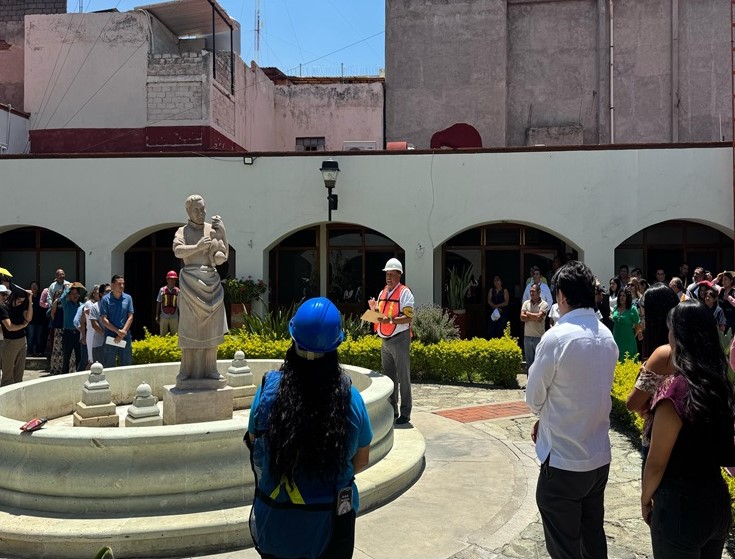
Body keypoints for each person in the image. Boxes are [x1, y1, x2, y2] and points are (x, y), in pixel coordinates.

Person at [246, 297, 373, 559]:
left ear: (293, 341)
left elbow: (254, 443)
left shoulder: (267, 392)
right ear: (335, 346)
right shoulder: (350, 399)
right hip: (330, 530)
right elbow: (361, 460)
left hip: (274, 526)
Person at [526, 261, 618, 559]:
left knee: (565, 547)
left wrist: (544, 416)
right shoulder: (606, 335)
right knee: (592, 538)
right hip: (598, 457)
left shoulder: (556, 338)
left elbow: (533, 398)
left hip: (564, 461)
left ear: (562, 296)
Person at [641, 300, 735, 557]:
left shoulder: (676, 390)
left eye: (671, 330)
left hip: (680, 505)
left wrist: (645, 498)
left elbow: (657, 462)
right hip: (716, 500)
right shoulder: (719, 383)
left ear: (680, 336)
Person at [173, 194, 229, 383]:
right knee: (189, 329)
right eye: (196, 210)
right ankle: (186, 369)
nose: (201, 213)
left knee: (212, 330)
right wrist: (197, 247)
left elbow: (221, 257)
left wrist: (223, 233)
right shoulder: (182, 231)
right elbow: (177, 251)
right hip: (190, 283)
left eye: (203, 209)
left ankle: (212, 368)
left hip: (211, 283)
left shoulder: (211, 229)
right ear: (188, 211)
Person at [625, 284, 679, 464]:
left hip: (659, 441)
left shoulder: (663, 354)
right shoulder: (694, 351)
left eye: (644, 313)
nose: (642, 320)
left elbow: (633, 403)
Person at [368, 258, 414, 424]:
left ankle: (406, 412)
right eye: (387, 274)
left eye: (392, 274)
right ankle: (392, 410)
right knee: (389, 378)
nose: (388, 278)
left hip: (400, 339)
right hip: (385, 340)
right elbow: (380, 315)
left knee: (403, 376)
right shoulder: (382, 293)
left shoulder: (405, 293)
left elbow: (408, 317)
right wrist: (374, 308)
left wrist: (390, 320)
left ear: (399, 275)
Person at [99, 275, 134, 368]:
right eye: (119, 284)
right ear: (113, 285)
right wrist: (117, 331)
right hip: (110, 336)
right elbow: (104, 319)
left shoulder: (128, 298)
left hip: (124, 335)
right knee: (109, 365)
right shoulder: (105, 299)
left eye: (123, 284)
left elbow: (130, 317)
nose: (122, 286)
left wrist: (122, 332)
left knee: (126, 365)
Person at [0, 285, 32, 386]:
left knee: (19, 374)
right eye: (18, 300)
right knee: (7, 375)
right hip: (10, 342)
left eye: (22, 300)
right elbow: (9, 327)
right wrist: (22, 326)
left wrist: (30, 301)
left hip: (22, 341)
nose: (20, 302)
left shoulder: (21, 307)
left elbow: (28, 318)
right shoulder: (3, 308)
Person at [520, 284, 548, 371]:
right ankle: (529, 380)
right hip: (527, 336)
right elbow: (522, 317)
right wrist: (535, 317)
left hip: (539, 337)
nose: (531, 293)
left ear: (539, 292)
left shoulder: (544, 304)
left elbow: (539, 317)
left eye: (533, 291)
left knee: (539, 362)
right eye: (530, 291)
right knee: (529, 362)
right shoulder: (526, 303)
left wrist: (528, 313)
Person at [57, 283, 83, 375]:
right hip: (68, 334)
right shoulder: (66, 305)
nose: (75, 295)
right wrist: (69, 288)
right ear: (69, 295)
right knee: (66, 358)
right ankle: (64, 376)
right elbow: (62, 298)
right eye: (72, 293)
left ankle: (79, 375)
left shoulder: (81, 306)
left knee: (80, 357)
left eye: (76, 293)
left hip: (79, 334)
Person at [612, 286, 640, 362]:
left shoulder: (632, 309)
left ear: (627, 297)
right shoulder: (615, 308)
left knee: (627, 359)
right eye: (620, 295)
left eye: (624, 296)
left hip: (628, 339)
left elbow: (638, 325)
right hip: (616, 337)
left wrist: (632, 337)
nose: (622, 298)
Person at [88, 283, 110, 365]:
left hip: (112, 344)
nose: (110, 293)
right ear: (101, 294)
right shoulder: (95, 306)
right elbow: (94, 324)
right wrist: (105, 334)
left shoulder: (113, 306)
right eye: (107, 291)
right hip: (99, 344)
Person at [155, 271, 180, 336]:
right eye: (170, 279)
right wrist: (157, 316)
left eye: (174, 279)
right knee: (163, 335)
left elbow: (180, 305)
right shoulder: (162, 290)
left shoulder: (178, 291)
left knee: (175, 335)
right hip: (163, 316)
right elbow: (158, 302)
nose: (172, 281)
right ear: (167, 280)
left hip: (174, 316)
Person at [26, 281, 46, 357]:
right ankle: (30, 352)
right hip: (30, 321)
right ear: (30, 287)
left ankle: (39, 351)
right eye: (33, 286)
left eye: (36, 285)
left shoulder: (41, 296)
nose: (34, 287)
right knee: (30, 337)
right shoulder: (28, 297)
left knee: (39, 337)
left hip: (40, 320)